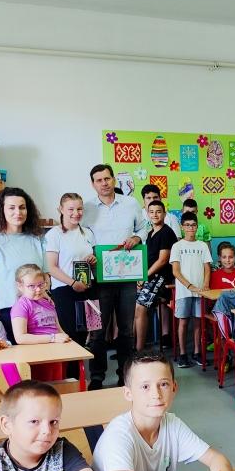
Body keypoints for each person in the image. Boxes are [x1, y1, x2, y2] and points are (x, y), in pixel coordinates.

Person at [92, 350, 235, 471]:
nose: (156, 394)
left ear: (174, 388)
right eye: (145, 386)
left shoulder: (172, 424)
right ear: (128, 393)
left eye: (163, 384)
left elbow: (216, 458)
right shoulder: (118, 434)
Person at [83, 164, 148, 388]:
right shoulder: (86, 208)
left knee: (127, 330)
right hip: (97, 278)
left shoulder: (130, 203)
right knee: (97, 330)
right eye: (99, 180)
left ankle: (125, 375)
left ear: (113, 180)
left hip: (127, 276)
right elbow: (79, 237)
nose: (104, 183)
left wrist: (137, 238)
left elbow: (144, 228)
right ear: (93, 184)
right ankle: (97, 377)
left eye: (107, 178)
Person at [0, 187, 47, 343]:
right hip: (6, 312)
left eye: (22, 207)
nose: (18, 212)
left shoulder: (37, 239)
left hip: (38, 310)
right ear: (1, 210)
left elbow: (45, 276)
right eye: (12, 208)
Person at [45, 192, 96, 352]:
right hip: (65, 290)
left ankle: (82, 368)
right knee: (69, 334)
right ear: (61, 209)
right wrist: (73, 283)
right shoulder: (54, 234)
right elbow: (51, 267)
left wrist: (93, 259)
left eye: (79, 209)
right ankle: (71, 369)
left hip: (88, 288)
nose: (76, 213)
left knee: (88, 333)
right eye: (71, 209)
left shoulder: (88, 232)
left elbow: (94, 260)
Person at [10, 264, 70, 381]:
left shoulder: (48, 302)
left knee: (59, 384)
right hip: (38, 356)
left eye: (41, 285)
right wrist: (53, 338)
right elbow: (20, 338)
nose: (38, 290)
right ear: (20, 286)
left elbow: (58, 328)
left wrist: (67, 339)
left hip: (56, 353)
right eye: (31, 286)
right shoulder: (21, 306)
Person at [135, 200, 179, 350]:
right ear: (147, 214)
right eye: (151, 212)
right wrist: (141, 277)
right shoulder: (149, 233)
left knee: (140, 307)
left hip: (161, 278)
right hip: (148, 277)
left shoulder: (167, 232)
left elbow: (162, 260)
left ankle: (139, 350)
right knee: (133, 307)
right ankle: (133, 347)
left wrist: (144, 276)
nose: (155, 214)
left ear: (164, 214)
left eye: (158, 211)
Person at [171, 212, 213, 369]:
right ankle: (183, 354)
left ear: (197, 227)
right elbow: (176, 271)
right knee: (183, 322)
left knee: (198, 322)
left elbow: (207, 268)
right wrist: (189, 286)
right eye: (187, 225)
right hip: (184, 292)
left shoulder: (202, 246)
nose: (190, 228)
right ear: (182, 227)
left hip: (200, 292)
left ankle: (197, 352)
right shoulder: (177, 246)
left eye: (193, 225)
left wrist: (205, 284)